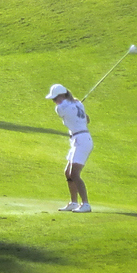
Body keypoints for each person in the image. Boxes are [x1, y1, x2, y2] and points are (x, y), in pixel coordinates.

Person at [45, 83, 92, 212]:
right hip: (78, 139)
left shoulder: (61, 108)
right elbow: (87, 120)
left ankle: (86, 204)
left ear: (62, 95)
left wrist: (72, 106)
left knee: (74, 174)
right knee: (68, 173)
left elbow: (65, 112)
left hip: (82, 140)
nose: (54, 102)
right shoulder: (78, 104)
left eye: (55, 98)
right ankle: (73, 202)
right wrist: (75, 106)